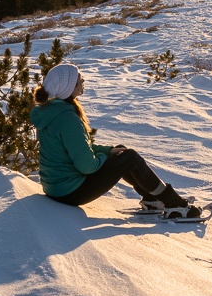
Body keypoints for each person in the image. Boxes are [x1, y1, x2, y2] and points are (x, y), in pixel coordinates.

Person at [30, 62, 201, 218]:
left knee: (121, 151)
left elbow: (76, 148)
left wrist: (107, 151)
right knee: (130, 158)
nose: (83, 81)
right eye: (79, 79)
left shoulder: (50, 113)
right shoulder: (68, 119)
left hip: (56, 188)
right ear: (68, 87)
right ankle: (174, 203)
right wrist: (107, 158)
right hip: (70, 192)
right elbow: (87, 165)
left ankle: (152, 199)